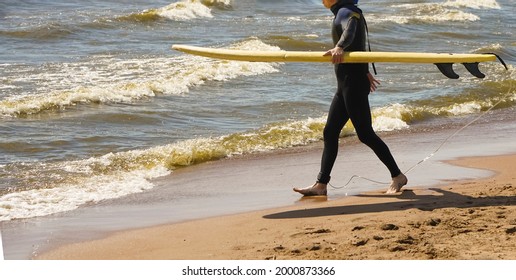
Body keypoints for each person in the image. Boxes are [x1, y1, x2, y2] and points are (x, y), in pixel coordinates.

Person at [293, 0, 407, 196]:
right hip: (346, 84)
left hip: (353, 85)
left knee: (365, 134)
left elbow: (351, 31)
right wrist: (364, 70)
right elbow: (359, 44)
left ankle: (397, 176)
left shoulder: (347, 12)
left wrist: (339, 47)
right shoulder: (344, 11)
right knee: (330, 132)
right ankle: (321, 185)